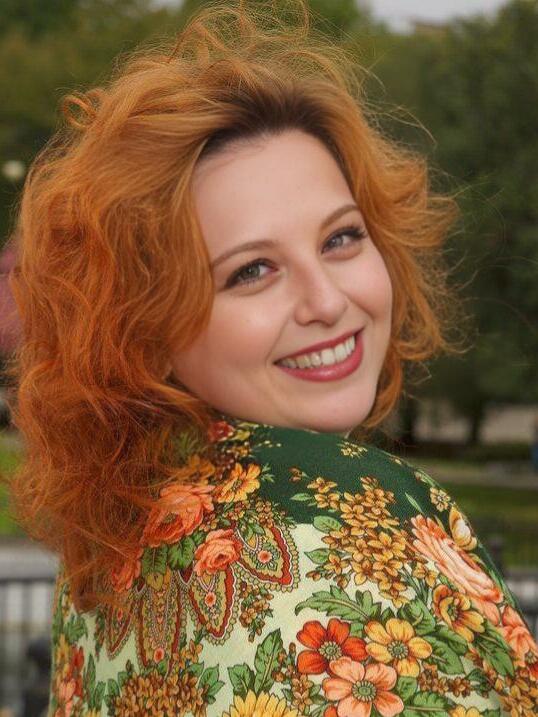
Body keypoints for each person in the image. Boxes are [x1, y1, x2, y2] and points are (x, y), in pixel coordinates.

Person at [7, 1, 538, 715]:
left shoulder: (109, 544)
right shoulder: (351, 516)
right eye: (251, 271)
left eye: (341, 238)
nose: (327, 300)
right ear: (146, 324)